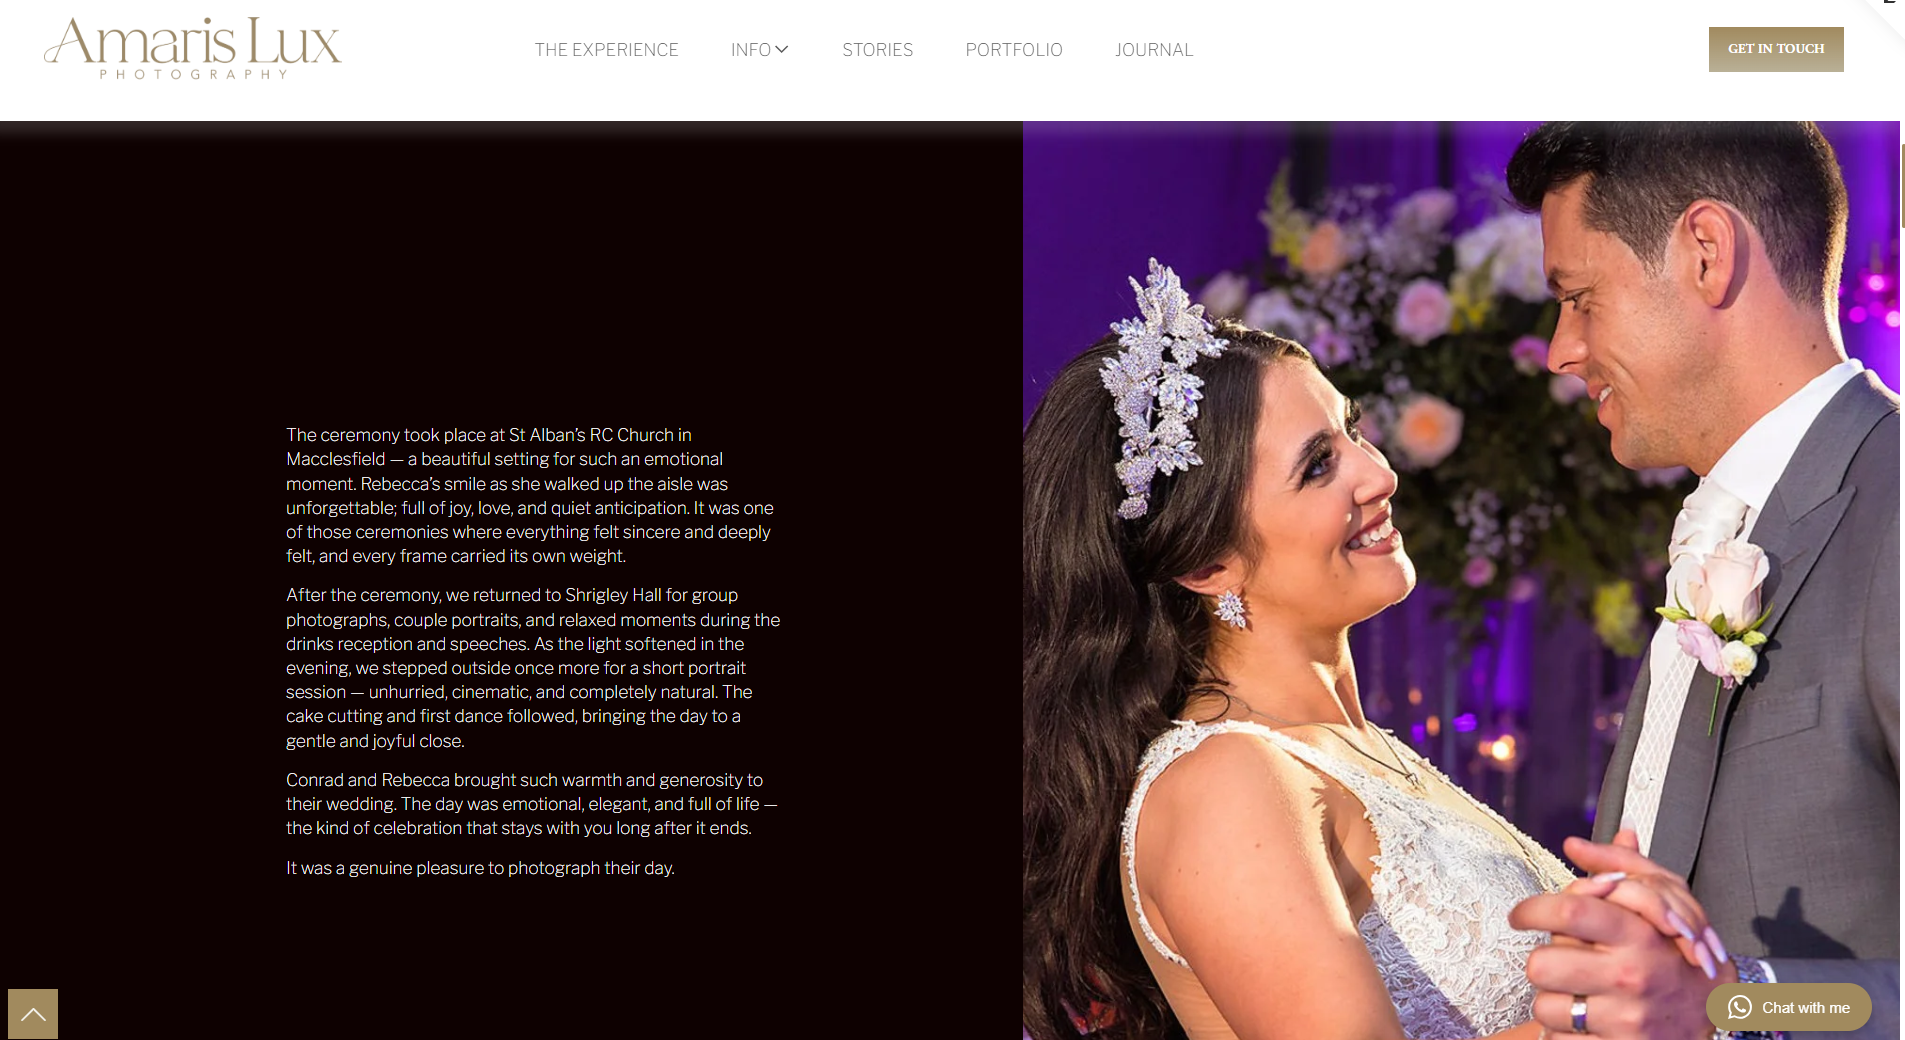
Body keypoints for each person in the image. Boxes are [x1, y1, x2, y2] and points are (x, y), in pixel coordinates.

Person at [1023, 261, 1715, 1040]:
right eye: (1317, 466)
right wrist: (1605, 1014)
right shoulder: (1222, 783)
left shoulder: (1355, 750)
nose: (1378, 473)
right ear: (1206, 563)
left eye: (1351, 431)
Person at [1504, 122, 1899, 1040]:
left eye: (1579, 299)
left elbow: (1710, 997)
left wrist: (1732, 1002)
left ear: (1705, 253)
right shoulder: (1725, 526)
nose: (1561, 350)